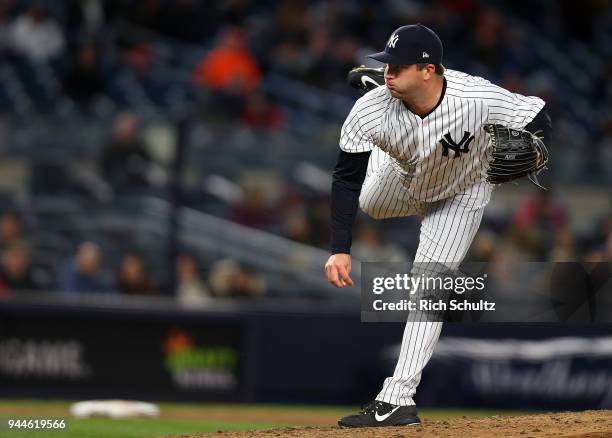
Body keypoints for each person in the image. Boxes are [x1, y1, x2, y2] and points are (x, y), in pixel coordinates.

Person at [324, 24, 551, 427]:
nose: (390, 71)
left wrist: (532, 144)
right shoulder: (369, 111)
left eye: (398, 67)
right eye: (386, 66)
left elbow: (538, 114)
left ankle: (397, 399)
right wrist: (340, 246)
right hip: (399, 178)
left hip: (461, 193)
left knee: (429, 288)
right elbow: (345, 178)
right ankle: (374, 100)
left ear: (429, 69)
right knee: (369, 203)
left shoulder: (476, 96)